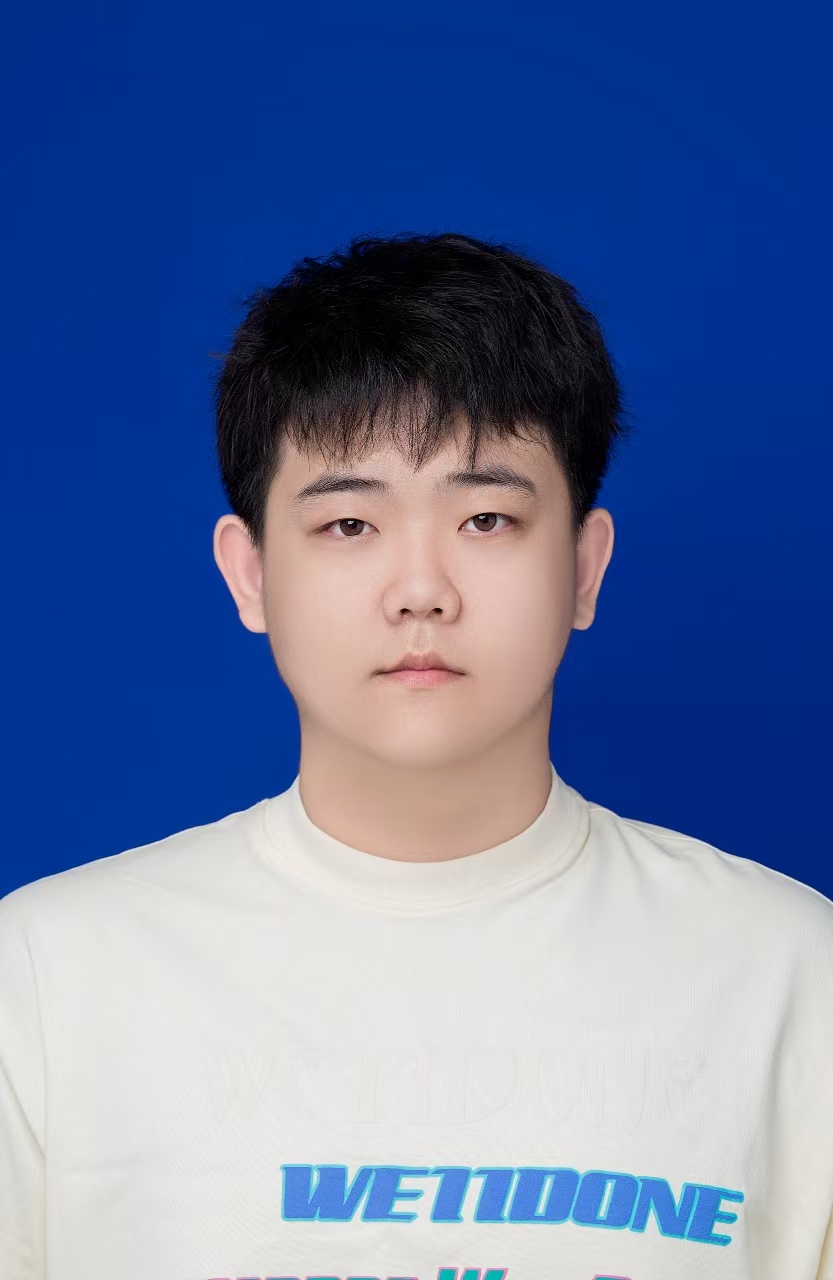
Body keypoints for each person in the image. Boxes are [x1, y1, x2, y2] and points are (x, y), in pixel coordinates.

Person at [1, 232, 831, 1280]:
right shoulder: (44, 982)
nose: (421, 591)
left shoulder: (792, 976)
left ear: (583, 567)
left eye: (485, 517)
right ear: (249, 573)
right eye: (349, 524)